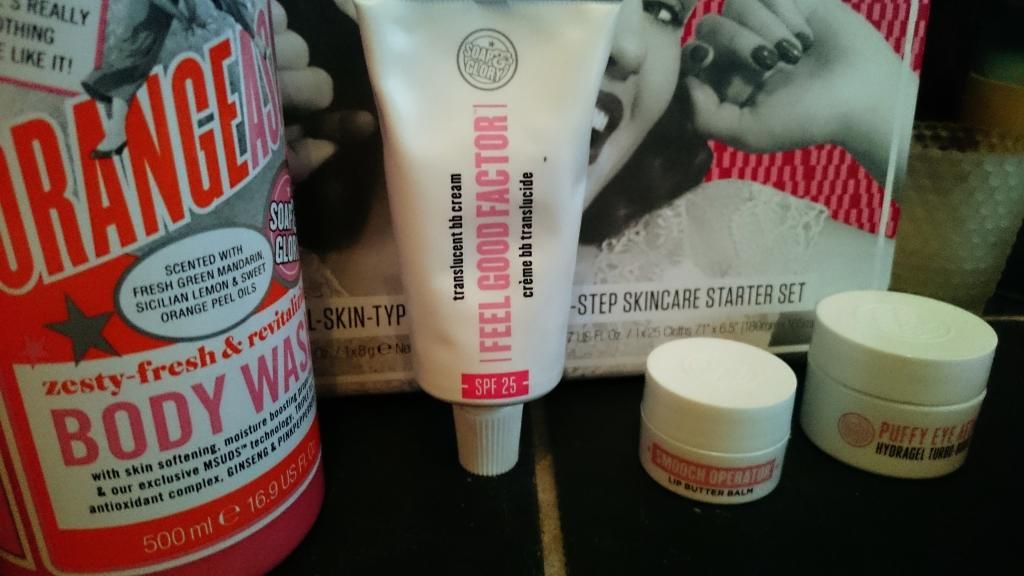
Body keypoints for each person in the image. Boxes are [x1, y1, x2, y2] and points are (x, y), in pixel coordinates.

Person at [283, 0, 912, 303]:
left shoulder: (717, 249)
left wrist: (876, 105)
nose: (631, 48)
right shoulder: (266, 287)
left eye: (663, 9)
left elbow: (941, 324)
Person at [83, 0, 263, 158]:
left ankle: (256, 40)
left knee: (130, 60)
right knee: (128, 62)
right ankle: (116, 131)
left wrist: (189, 16)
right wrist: (183, 16)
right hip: (148, 20)